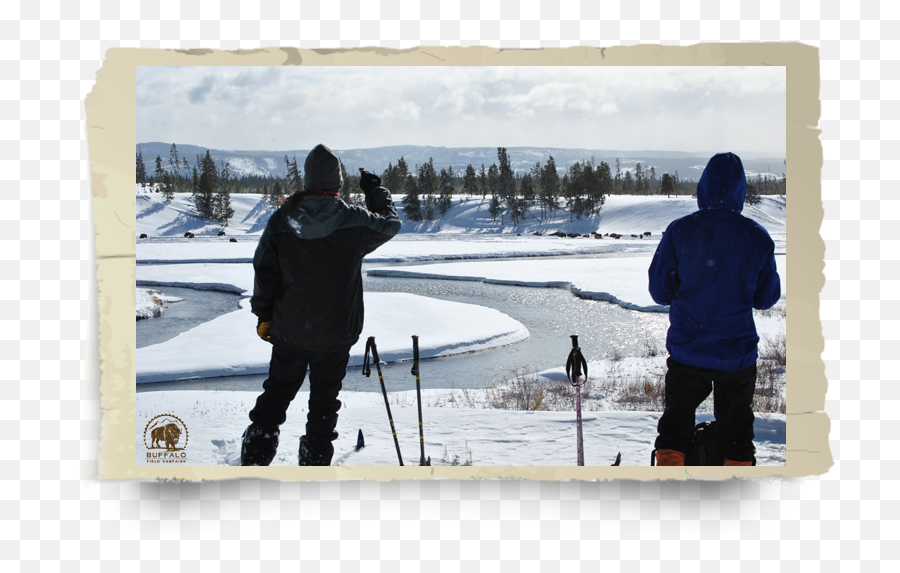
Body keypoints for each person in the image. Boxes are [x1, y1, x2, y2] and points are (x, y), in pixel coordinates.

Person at [241, 144, 401, 466]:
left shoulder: (282, 220)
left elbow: (264, 272)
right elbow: (389, 223)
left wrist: (265, 316)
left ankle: (253, 468)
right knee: (324, 407)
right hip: (335, 335)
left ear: (307, 179)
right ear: (338, 182)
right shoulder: (354, 221)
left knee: (274, 399)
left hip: (289, 331)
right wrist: (375, 190)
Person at [647, 152, 781, 467]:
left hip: (687, 350)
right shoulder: (757, 236)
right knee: (736, 432)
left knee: (676, 426)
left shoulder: (680, 230)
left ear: (703, 186)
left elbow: (659, 290)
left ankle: (669, 480)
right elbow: (766, 297)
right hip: (736, 353)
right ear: (741, 190)